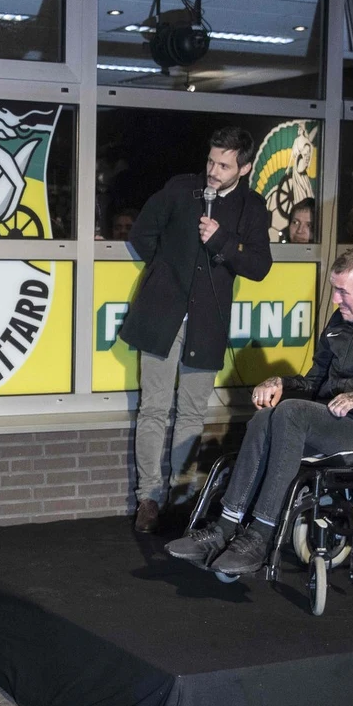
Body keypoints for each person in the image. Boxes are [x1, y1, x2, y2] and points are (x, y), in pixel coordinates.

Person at [166, 246, 353, 576]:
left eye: (343, 292)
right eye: (334, 289)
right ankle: (223, 529)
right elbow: (315, 383)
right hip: (335, 421)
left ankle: (259, 537)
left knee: (290, 414)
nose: (336, 300)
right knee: (266, 415)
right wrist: (282, 383)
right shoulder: (343, 321)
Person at [119, 127, 273, 533]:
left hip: (207, 323)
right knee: (153, 408)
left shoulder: (252, 207)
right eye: (210, 161)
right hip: (161, 316)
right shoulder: (180, 189)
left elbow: (259, 266)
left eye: (224, 165)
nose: (213, 171)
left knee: (191, 412)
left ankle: (182, 497)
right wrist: (166, 273)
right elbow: (141, 233)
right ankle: (148, 498)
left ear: (245, 168)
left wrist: (222, 241)